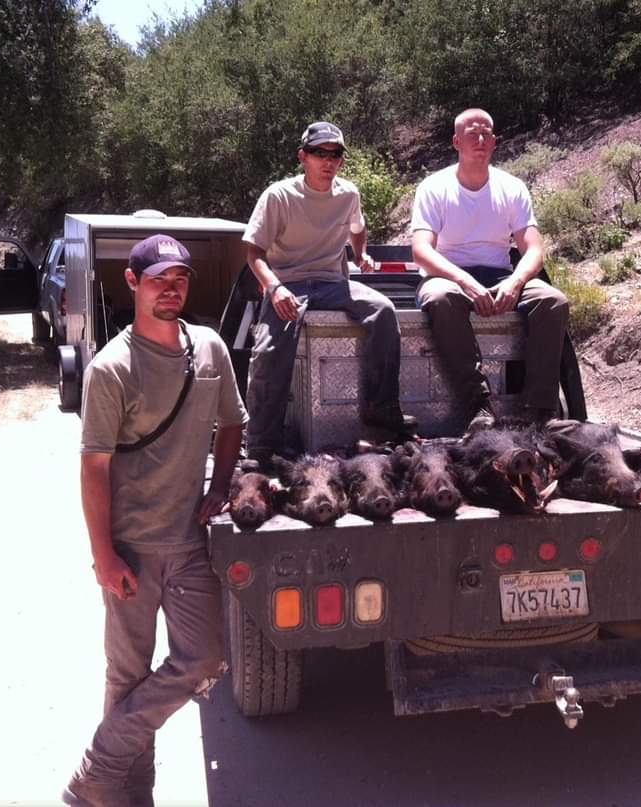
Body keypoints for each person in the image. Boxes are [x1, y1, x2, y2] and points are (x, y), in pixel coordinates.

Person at [63, 234, 247, 807]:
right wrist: (104, 555)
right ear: (133, 283)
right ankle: (129, 793)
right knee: (128, 677)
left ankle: (97, 769)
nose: (171, 289)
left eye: (180, 279)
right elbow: (94, 469)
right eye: (158, 280)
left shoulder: (210, 348)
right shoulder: (111, 368)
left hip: (188, 544)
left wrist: (220, 486)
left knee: (206, 659)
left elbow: (233, 422)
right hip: (131, 549)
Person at [243, 121, 414, 465]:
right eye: (319, 153)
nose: (328, 160)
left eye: (335, 154)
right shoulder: (279, 196)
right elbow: (253, 253)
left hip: (333, 283)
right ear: (302, 157)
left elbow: (358, 227)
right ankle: (261, 443)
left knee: (383, 310)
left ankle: (381, 409)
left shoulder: (348, 194)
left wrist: (361, 254)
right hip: (288, 284)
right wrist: (274, 288)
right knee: (269, 349)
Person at [411, 108, 569, 428]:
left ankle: (538, 412)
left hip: (500, 275)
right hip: (448, 275)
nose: (480, 139)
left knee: (553, 301)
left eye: (486, 133)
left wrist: (515, 281)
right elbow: (421, 251)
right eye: (472, 133)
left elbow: (534, 250)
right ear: (456, 141)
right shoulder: (433, 187)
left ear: (495, 142)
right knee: (440, 299)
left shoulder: (512, 187)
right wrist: (464, 281)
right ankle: (478, 405)